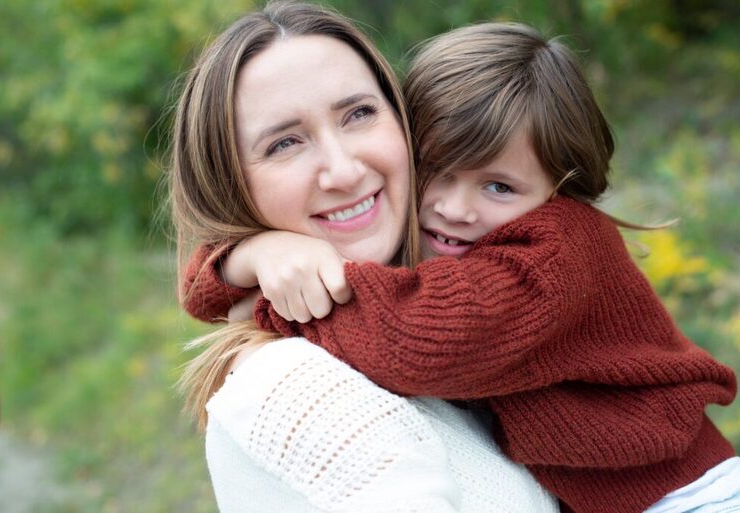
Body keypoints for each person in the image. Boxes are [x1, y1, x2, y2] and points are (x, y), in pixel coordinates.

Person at [183, 22, 740, 513]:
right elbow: (199, 288)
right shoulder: (443, 244)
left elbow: (416, 340)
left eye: (499, 186)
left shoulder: (556, 251)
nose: (455, 208)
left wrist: (264, 297)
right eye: (439, 168)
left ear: (559, 188)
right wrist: (247, 257)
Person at [172, 2, 557, 512]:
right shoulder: (289, 382)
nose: (345, 171)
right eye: (285, 143)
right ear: (229, 186)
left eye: (358, 113)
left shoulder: (469, 291)